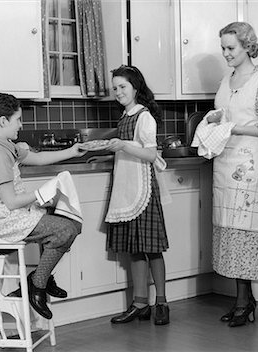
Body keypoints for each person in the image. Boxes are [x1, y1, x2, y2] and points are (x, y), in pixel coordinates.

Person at [0, 93, 87, 320]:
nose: (21, 125)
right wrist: (42, 193)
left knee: (66, 218)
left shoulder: (4, 145)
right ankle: (37, 284)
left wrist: (72, 151)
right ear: (3, 121)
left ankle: (42, 277)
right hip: (2, 221)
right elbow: (11, 202)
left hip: (9, 215)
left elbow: (37, 158)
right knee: (66, 229)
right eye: (18, 120)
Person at [203, 22, 258, 327]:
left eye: (231, 48)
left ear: (248, 46)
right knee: (229, 231)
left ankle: (243, 302)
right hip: (225, 163)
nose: (225, 54)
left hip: (248, 165)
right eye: (222, 47)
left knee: (245, 231)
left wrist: (235, 127)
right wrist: (215, 121)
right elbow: (226, 116)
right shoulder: (227, 80)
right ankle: (245, 300)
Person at [104, 65, 170, 325]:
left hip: (144, 189)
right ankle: (139, 303)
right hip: (127, 187)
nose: (118, 92)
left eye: (123, 87)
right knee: (134, 248)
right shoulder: (125, 115)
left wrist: (123, 146)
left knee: (152, 249)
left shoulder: (144, 117)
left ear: (135, 87)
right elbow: (128, 149)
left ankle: (162, 302)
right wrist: (108, 151)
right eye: (115, 88)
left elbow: (151, 154)